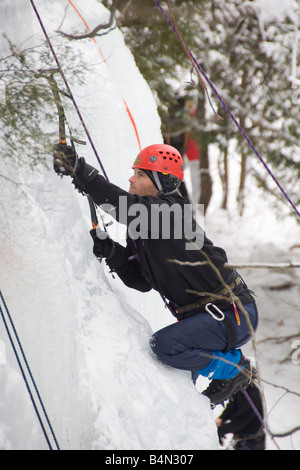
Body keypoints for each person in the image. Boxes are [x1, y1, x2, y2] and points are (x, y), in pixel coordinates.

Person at [53, 142, 258, 407]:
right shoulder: (145, 225)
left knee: (164, 345)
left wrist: (79, 170)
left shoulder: (175, 213)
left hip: (232, 313)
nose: (130, 178)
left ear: (160, 182)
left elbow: (124, 208)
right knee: (177, 391)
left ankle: (233, 368)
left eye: (139, 174)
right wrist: (113, 251)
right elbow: (140, 281)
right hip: (210, 317)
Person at [216, 383, 265, 450]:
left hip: (251, 442)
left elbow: (240, 421)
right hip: (241, 438)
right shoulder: (239, 388)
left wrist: (222, 430)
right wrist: (221, 418)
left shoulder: (253, 395)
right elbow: (231, 406)